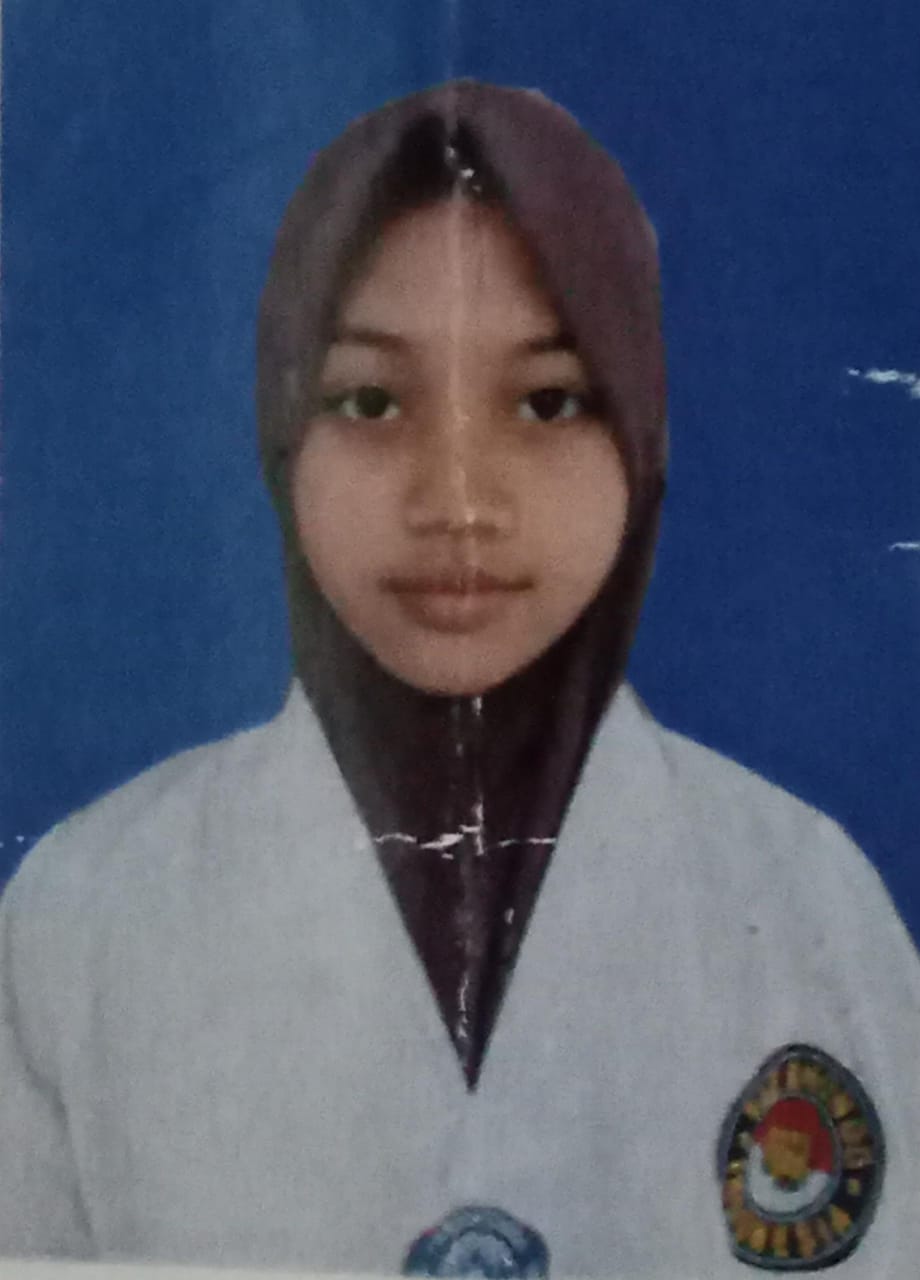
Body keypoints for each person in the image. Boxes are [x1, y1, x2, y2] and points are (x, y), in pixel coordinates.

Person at [0, 80, 918, 1277]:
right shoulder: (83, 912)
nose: (458, 502)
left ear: (638, 436)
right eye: (370, 400)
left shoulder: (807, 901)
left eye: (546, 401)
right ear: (282, 433)